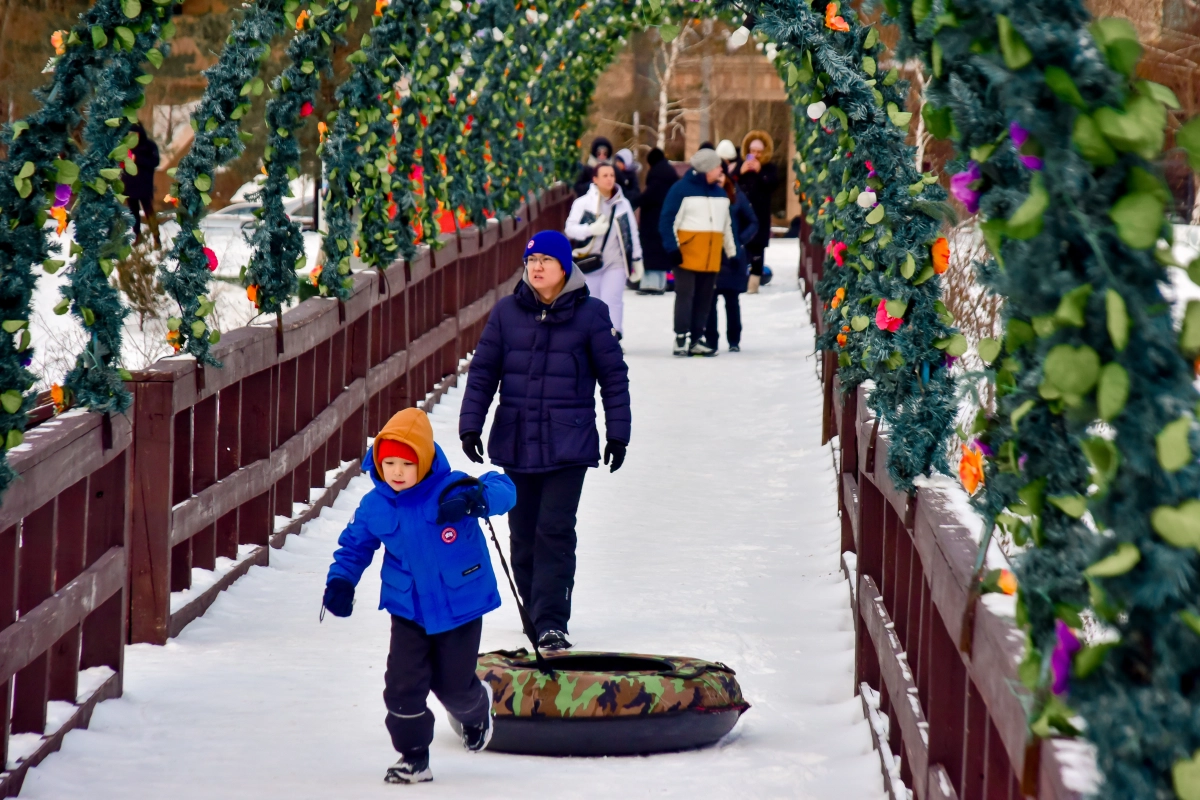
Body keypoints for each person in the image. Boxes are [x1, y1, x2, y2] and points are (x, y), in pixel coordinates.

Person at [321, 407, 517, 784]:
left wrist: (476, 499)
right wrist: (341, 581)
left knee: (453, 686)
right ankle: (413, 758)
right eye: (388, 462)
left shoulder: (451, 488)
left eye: (405, 464)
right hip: (409, 611)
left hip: (459, 608)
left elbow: (503, 488)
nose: (395, 472)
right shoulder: (376, 505)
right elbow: (354, 547)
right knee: (401, 687)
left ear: (424, 462)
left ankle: (476, 711)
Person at [459, 231, 630, 653]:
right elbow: (483, 373)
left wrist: (618, 434)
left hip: (568, 444)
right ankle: (535, 612)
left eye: (545, 260)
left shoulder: (592, 315)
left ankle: (552, 621)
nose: (536, 267)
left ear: (564, 267)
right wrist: (470, 424)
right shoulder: (506, 314)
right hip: (517, 439)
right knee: (522, 533)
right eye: (530, 259)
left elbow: (613, 378)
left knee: (554, 529)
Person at [659, 148, 736, 357]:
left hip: (711, 258)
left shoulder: (721, 194)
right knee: (685, 296)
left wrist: (732, 253)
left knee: (705, 299)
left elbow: (726, 226)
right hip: (685, 255)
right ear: (706, 169)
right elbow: (666, 220)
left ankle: (696, 339)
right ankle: (681, 338)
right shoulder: (681, 190)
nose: (721, 169)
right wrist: (672, 249)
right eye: (718, 166)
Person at [564, 161, 643, 338]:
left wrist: (637, 258)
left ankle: (613, 336)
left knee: (613, 299)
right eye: (605, 176)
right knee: (592, 301)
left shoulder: (623, 204)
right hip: (589, 260)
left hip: (616, 261)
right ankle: (592, 337)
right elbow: (570, 228)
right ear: (595, 179)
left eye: (612, 175)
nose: (609, 179)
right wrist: (590, 229)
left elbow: (632, 232)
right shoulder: (583, 203)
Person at [705, 163, 758, 352]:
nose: (718, 182)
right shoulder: (706, 195)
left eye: (721, 177)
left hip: (733, 256)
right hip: (711, 254)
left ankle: (734, 340)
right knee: (709, 300)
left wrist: (740, 241)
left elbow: (753, 222)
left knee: (732, 300)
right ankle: (711, 340)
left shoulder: (736, 196)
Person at [737, 130, 780, 294]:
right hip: (741, 216)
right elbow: (730, 182)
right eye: (752, 151)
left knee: (757, 251)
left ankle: (753, 285)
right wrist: (740, 172)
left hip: (760, 216)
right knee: (741, 248)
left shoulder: (769, 168)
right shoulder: (740, 165)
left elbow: (773, 185)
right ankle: (740, 281)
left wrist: (760, 172)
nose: (755, 155)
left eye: (758, 152)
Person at [636, 148, 679, 295]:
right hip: (664, 218)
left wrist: (635, 201)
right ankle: (661, 283)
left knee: (651, 252)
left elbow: (649, 196)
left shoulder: (657, 176)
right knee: (660, 252)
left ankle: (651, 285)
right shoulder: (669, 173)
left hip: (652, 220)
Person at [125, 122, 161, 248]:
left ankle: (156, 237)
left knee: (149, 211)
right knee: (133, 213)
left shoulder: (149, 146)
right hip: (129, 185)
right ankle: (137, 236)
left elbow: (155, 161)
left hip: (144, 185)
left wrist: (137, 159)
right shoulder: (125, 147)